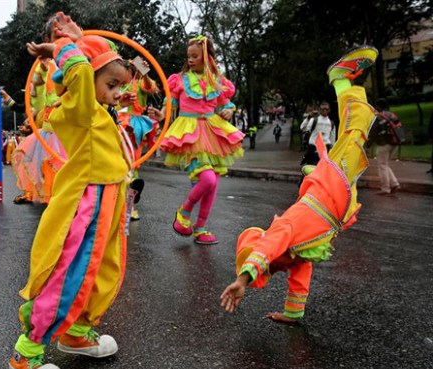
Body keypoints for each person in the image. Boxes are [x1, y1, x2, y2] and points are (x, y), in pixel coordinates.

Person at [8, 13, 135, 369]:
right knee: (70, 273)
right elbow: (78, 75)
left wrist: (89, 53)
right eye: (111, 84)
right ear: (86, 80)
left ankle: (77, 332)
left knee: (103, 268)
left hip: (109, 199)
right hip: (88, 203)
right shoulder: (75, 108)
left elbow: (89, 78)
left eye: (119, 87)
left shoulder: (96, 109)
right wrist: (66, 46)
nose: (116, 93)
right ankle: (26, 353)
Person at [220, 46, 379, 323]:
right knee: (355, 135)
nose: (273, 270)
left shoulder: (281, 232)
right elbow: (300, 278)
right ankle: (313, 169)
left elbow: (267, 247)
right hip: (334, 200)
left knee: (356, 131)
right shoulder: (294, 257)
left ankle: (339, 77)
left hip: (329, 188)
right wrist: (292, 314)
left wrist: (243, 279)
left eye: (267, 268)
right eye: (268, 271)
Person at [152, 35, 244, 245]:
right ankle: (183, 213)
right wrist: (162, 115)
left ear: (207, 57)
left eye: (195, 56)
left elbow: (226, 104)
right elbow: (170, 104)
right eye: (189, 56)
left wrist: (229, 111)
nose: (191, 60)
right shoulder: (180, 79)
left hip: (213, 133)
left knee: (212, 184)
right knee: (207, 179)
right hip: (189, 133)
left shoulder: (217, 81)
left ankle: (201, 227)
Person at [9, 14, 67, 205]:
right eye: (57, 37)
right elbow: (37, 101)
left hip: (77, 129)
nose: (63, 40)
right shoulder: (43, 68)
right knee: (52, 173)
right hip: (53, 129)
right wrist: (42, 70)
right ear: (47, 41)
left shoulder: (82, 61)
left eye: (67, 34)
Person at [118, 57, 159, 221]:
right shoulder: (120, 82)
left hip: (136, 125)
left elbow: (151, 88)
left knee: (133, 164)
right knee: (118, 162)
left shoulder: (141, 82)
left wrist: (145, 73)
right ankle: (116, 204)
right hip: (119, 122)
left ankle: (129, 207)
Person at [368, 98, 401, 195]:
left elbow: (373, 132)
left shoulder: (378, 117)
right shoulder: (392, 115)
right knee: (385, 164)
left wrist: (369, 144)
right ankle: (394, 184)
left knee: (382, 165)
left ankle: (385, 188)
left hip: (384, 144)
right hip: (394, 143)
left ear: (378, 106)